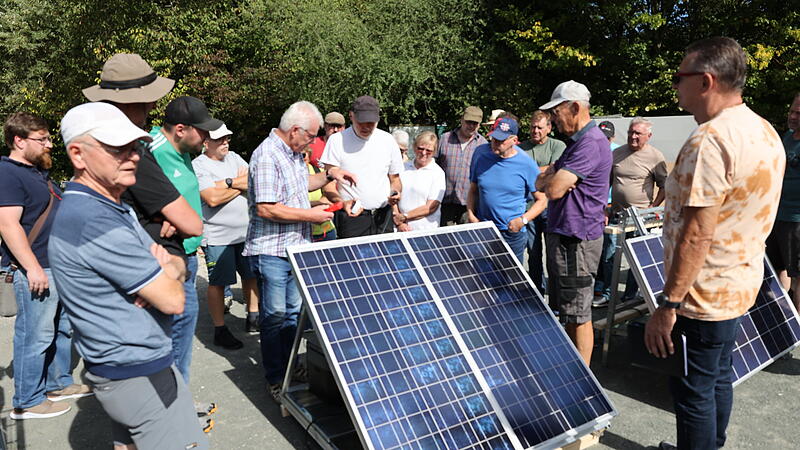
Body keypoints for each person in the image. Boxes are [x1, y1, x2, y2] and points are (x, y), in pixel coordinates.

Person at [644, 37, 784, 450]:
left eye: (679, 78)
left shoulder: (710, 140)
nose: (675, 87)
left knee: (693, 393)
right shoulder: (763, 128)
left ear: (705, 81)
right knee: (719, 376)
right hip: (740, 284)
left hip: (702, 299)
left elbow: (697, 233)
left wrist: (668, 306)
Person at [49, 102, 208, 450]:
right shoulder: (93, 219)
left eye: (134, 147)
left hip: (126, 367)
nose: (133, 156)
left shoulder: (107, 204)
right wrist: (168, 268)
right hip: (137, 371)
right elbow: (173, 299)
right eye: (117, 149)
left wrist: (168, 268)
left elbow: (170, 273)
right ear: (78, 154)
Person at [83, 53, 214, 424]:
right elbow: (190, 222)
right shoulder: (134, 149)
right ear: (133, 102)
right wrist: (165, 220)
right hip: (151, 268)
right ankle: (170, 419)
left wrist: (162, 217)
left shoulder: (98, 145)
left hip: (144, 262)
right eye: (149, 98)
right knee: (160, 355)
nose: (154, 105)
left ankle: (168, 414)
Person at [243, 101, 355, 400]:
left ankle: (292, 365)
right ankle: (276, 376)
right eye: (312, 136)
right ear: (295, 130)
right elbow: (266, 209)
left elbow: (302, 184)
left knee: (292, 315)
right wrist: (312, 216)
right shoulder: (266, 155)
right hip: (273, 251)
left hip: (295, 248)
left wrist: (332, 176)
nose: (314, 142)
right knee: (275, 315)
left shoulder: (292, 154)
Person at [1, 112, 91, 420]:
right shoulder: (8, 173)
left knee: (62, 329)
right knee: (35, 335)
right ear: (19, 140)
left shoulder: (37, 172)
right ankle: (27, 400)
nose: (50, 145)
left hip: (58, 266)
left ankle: (57, 383)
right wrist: (32, 268)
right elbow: (8, 225)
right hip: (37, 269)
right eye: (42, 139)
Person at [536, 80, 611, 365]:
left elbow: (552, 189)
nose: (554, 119)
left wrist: (554, 180)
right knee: (569, 311)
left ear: (575, 107)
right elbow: (543, 180)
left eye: (557, 112)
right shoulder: (576, 144)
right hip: (567, 238)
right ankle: (575, 369)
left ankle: (583, 383)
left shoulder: (590, 143)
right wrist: (554, 179)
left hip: (576, 241)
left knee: (579, 315)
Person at [150, 96, 223, 385]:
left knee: (181, 333)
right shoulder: (149, 148)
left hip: (188, 256)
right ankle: (168, 405)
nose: (207, 138)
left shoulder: (182, 152)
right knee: (167, 336)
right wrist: (155, 219)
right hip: (167, 258)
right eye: (202, 131)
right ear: (181, 128)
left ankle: (176, 398)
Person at [192, 122, 260, 345]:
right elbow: (211, 198)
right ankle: (220, 329)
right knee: (219, 283)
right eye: (220, 139)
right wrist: (239, 185)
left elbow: (255, 182)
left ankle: (254, 317)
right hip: (218, 236)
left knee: (251, 276)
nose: (225, 142)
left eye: (227, 138)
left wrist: (225, 184)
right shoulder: (198, 165)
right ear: (205, 143)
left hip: (245, 233)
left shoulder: (235, 158)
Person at [593, 118, 668, 307]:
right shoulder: (617, 153)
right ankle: (608, 294)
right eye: (630, 132)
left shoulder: (655, 157)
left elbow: (665, 186)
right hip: (616, 214)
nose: (633, 137)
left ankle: (630, 296)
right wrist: (603, 208)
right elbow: (606, 183)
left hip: (640, 217)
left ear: (648, 136)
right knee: (610, 256)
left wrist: (652, 208)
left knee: (638, 258)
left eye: (638, 134)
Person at [320, 95, 403, 237]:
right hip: (351, 218)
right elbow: (328, 185)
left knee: (385, 258)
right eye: (361, 122)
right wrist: (343, 203)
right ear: (351, 116)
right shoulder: (336, 141)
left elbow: (395, 180)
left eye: (371, 122)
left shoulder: (387, 140)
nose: (366, 126)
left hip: (383, 217)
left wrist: (395, 193)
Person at [467, 117, 547, 263]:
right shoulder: (481, 155)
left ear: (514, 140)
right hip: (484, 229)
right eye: (493, 138)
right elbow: (473, 189)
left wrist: (522, 220)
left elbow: (542, 200)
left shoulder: (526, 163)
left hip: (511, 233)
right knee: (481, 278)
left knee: (510, 280)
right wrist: (471, 215)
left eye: (501, 140)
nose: (495, 143)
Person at [518, 110, 566, 294]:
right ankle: (536, 290)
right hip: (529, 207)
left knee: (554, 255)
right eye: (532, 127)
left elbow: (556, 169)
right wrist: (543, 170)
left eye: (539, 127)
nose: (535, 130)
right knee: (533, 252)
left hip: (552, 208)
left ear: (549, 128)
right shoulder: (522, 148)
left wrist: (529, 170)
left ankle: (554, 294)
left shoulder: (557, 146)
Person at [766, 93, 800, 311]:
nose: (793, 116)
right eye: (792, 111)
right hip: (776, 217)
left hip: (797, 221)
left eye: (799, 113)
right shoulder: (787, 137)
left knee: (798, 278)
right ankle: (782, 321)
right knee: (776, 270)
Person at [436, 106, 487, 226]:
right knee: (445, 240)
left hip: (468, 205)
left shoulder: (483, 145)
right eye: (469, 122)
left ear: (479, 125)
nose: (471, 126)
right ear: (461, 120)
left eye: (475, 123)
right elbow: (433, 166)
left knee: (465, 241)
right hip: (445, 201)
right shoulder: (445, 139)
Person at [393, 131, 445, 231]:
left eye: (428, 150)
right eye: (420, 148)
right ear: (414, 147)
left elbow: (431, 206)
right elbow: (392, 196)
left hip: (425, 230)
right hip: (399, 228)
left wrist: (404, 217)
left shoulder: (438, 173)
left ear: (434, 152)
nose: (424, 153)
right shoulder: (402, 168)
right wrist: (399, 222)